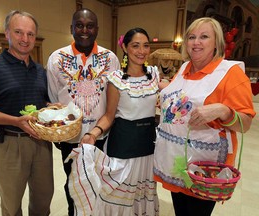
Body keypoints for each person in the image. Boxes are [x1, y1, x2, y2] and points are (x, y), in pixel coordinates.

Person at [154, 17, 256, 216]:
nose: (196, 42)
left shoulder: (230, 73)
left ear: (217, 42)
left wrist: (224, 111)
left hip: (206, 166)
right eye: (191, 37)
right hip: (177, 159)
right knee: (181, 211)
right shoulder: (184, 68)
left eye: (204, 36)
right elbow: (182, 99)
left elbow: (245, 124)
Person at [0, 10, 54, 215]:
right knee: (11, 203)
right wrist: (16, 121)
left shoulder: (39, 70)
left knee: (43, 200)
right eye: (18, 32)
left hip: (41, 143)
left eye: (30, 34)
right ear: (7, 33)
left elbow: (40, 101)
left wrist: (50, 107)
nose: (25, 39)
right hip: (9, 144)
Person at [78, 27, 163, 215]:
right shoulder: (116, 79)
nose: (141, 51)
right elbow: (109, 115)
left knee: (141, 194)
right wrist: (93, 133)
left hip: (147, 148)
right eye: (135, 46)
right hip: (123, 146)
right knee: (117, 194)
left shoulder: (154, 75)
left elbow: (172, 94)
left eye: (146, 46)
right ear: (125, 47)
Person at [46, 8, 120, 215]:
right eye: (79, 25)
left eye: (89, 25)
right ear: (71, 28)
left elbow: (113, 99)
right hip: (70, 138)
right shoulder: (56, 58)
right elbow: (53, 99)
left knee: (100, 184)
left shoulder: (110, 58)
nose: (84, 30)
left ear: (97, 29)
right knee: (73, 185)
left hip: (101, 136)